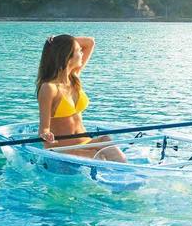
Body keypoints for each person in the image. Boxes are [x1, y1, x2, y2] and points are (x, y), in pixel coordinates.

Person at [35, 34, 127, 162]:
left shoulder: (74, 78)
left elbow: (90, 42)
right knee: (99, 158)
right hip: (62, 149)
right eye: (79, 51)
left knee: (107, 142)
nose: (82, 53)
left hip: (86, 142)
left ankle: (132, 174)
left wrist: (55, 44)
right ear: (67, 57)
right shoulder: (49, 88)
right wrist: (46, 135)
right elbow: (43, 129)